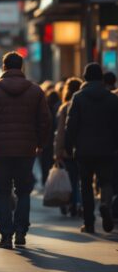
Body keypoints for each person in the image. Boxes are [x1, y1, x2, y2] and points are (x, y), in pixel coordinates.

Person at [0, 52, 51, 249]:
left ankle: (6, 235)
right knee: (24, 191)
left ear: (4, 67)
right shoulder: (36, 91)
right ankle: (21, 231)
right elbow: (45, 121)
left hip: (0, 150)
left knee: (2, 192)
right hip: (26, 149)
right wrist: (41, 144)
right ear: (22, 67)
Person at [65, 63, 118, 234]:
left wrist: (68, 144)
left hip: (84, 149)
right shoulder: (112, 98)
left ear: (85, 77)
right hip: (107, 149)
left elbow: (71, 124)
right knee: (106, 181)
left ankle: (89, 222)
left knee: (86, 185)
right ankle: (105, 205)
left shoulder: (78, 97)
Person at [54, 77, 82, 217]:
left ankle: (70, 203)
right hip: (84, 148)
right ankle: (79, 204)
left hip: (67, 150)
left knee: (71, 178)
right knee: (81, 179)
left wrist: (58, 151)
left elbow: (60, 132)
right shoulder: (84, 103)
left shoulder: (65, 107)